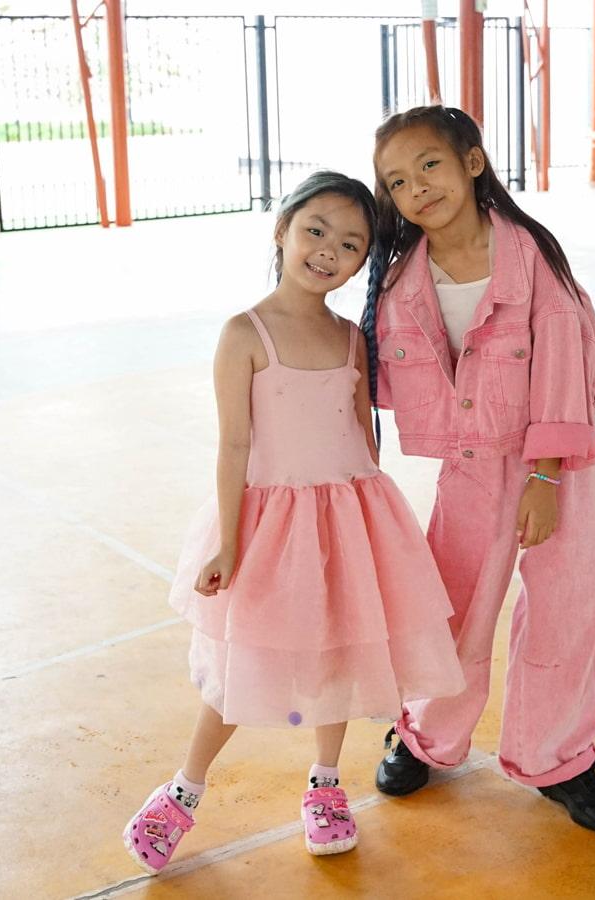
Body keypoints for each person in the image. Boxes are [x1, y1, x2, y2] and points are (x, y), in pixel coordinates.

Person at [123, 171, 465, 875]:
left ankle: (325, 784)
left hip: (348, 522)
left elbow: (361, 435)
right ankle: (185, 787)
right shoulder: (244, 333)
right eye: (315, 231)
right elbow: (235, 446)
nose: (328, 251)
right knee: (240, 664)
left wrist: (371, 525)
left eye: (350, 243)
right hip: (270, 525)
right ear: (281, 230)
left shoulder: (349, 337)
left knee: (340, 651)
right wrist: (228, 536)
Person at [360, 106, 595, 832]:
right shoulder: (399, 282)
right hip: (472, 466)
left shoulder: (531, 256)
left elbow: (566, 372)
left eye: (429, 165)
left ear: (473, 163)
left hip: (556, 464)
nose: (416, 187)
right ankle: (426, 736)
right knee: (450, 605)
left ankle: (561, 758)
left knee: (564, 614)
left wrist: (544, 477)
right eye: (396, 180)